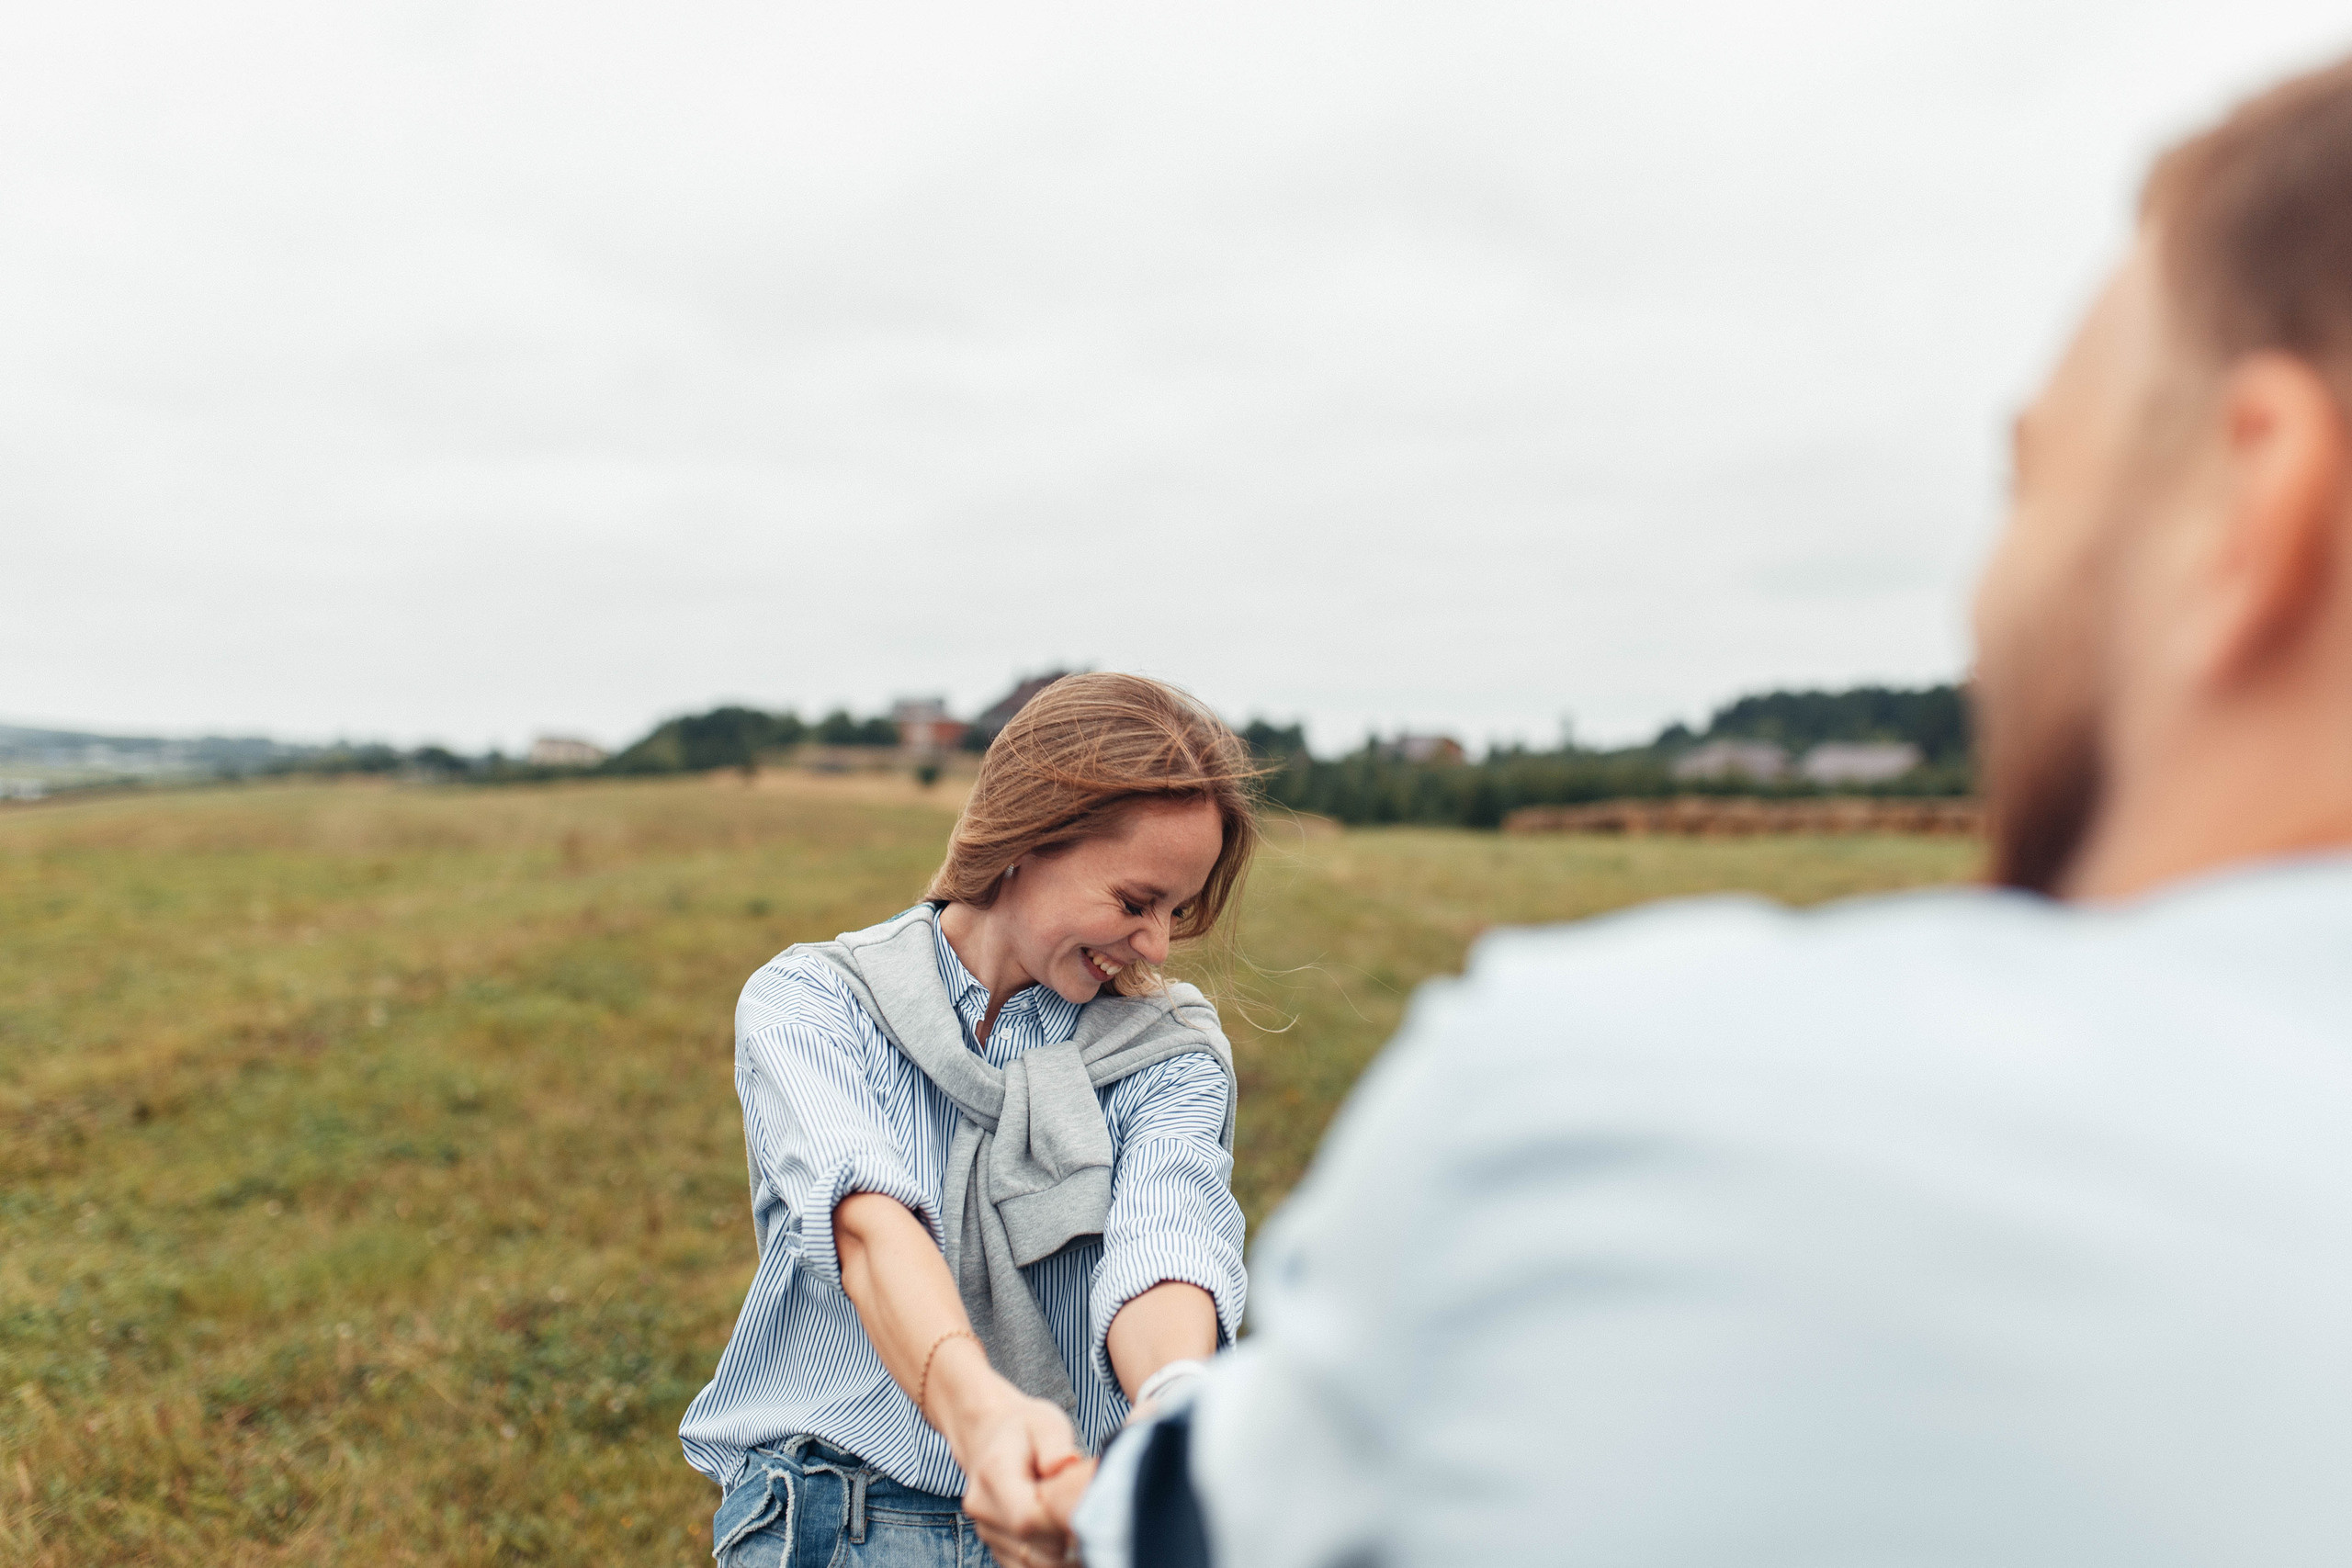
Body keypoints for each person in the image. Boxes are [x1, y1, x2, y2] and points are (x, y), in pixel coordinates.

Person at [1069, 55, 2352, 1568]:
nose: (1987, 600)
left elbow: (1185, 1524)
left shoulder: (1597, 1111)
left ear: (2251, 506)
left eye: (2035, 483)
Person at [681, 672, 1258, 1568]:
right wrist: (981, 1418)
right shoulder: (816, 1004)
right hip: (840, 1503)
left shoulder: (1167, 1046)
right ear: (1028, 840)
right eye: (1136, 902)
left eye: (1177, 913)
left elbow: (1167, 1240)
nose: (1156, 944)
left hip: (1068, 1518)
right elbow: (868, 1229)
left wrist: (1171, 1408)